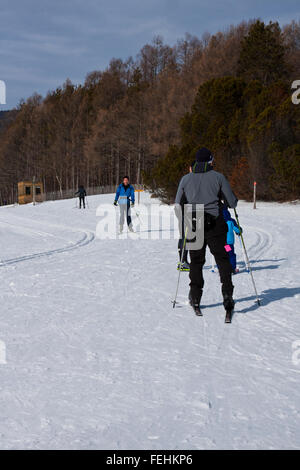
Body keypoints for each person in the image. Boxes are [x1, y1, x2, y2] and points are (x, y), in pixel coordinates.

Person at [175, 147, 238, 315]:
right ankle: (227, 294)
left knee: (196, 262)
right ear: (210, 160)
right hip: (215, 223)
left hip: (193, 222)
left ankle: (195, 297)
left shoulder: (185, 179)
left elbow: (178, 203)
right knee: (222, 259)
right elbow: (231, 203)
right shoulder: (218, 177)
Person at [222, 205, 242, 274]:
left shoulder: (218, 220)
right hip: (228, 243)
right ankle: (232, 268)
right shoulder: (231, 221)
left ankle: (221, 269)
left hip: (221, 242)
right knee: (230, 255)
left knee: (221, 255)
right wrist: (239, 231)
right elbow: (237, 229)